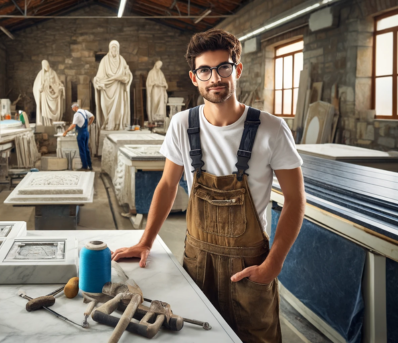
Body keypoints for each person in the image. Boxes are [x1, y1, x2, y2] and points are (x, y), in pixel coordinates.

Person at [111, 29, 306, 342]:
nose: (215, 77)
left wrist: (273, 265)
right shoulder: (183, 124)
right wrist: (146, 240)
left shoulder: (272, 129)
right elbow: (167, 184)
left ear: (237, 69)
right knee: (195, 335)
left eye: (223, 67)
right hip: (197, 262)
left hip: (249, 268)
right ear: (194, 77)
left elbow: (296, 200)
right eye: (205, 70)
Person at [63, 103, 94, 171]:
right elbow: (92, 117)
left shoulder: (76, 114)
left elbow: (73, 125)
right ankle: (90, 165)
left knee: (82, 150)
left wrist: (66, 131)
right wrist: (88, 124)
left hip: (81, 134)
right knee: (86, 150)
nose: (72, 109)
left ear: (75, 107)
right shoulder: (85, 111)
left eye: (72, 108)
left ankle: (84, 167)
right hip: (86, 132)